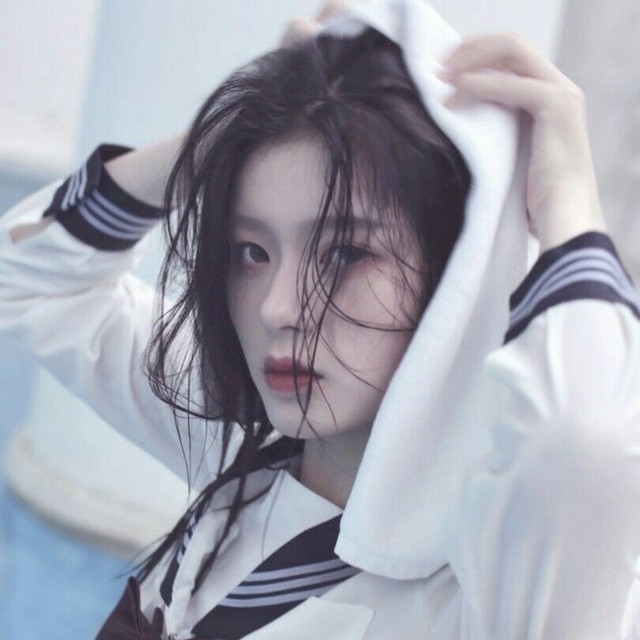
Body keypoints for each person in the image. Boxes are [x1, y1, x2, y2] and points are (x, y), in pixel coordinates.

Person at [2, 1, 640, 638]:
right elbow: (26, 281)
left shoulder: (490, 582)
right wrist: (219, 142)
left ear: (454, 272)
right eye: (251, 251)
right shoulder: (240, 442)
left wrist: (569, 206)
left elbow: (590, 443)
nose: (277, 308)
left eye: (345, 255)